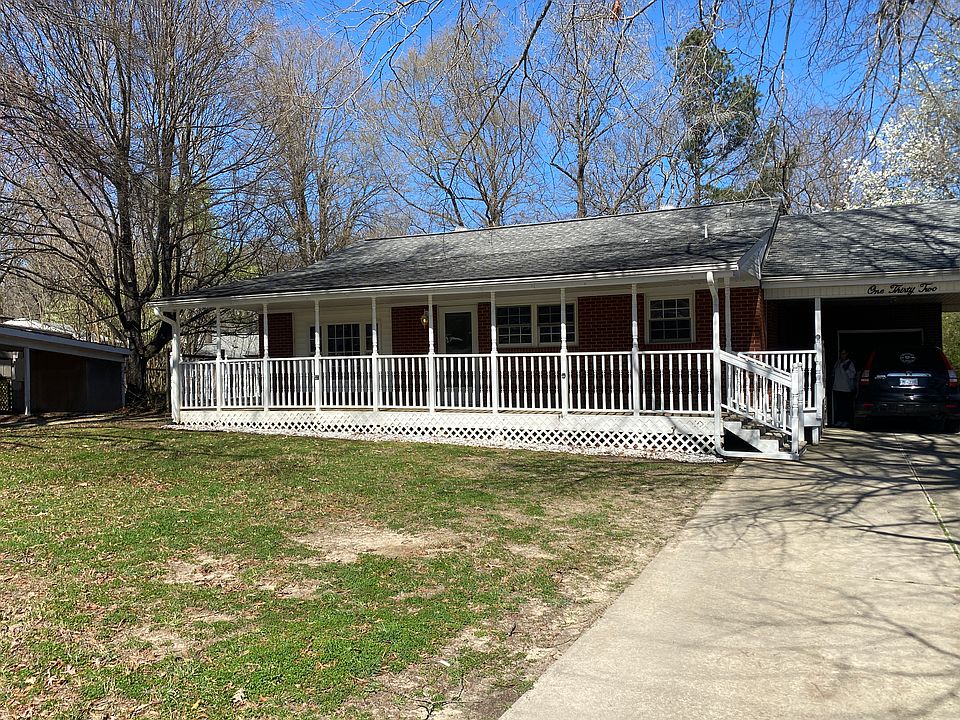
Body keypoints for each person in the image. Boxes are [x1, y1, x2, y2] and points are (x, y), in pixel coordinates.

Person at [832, 349, 857, 427]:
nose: (842, 355)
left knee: (845, 406)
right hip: (837, 387)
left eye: (844, 354)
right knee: (839, 406)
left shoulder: (849, 363)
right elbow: (834, 372)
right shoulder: (838, 362)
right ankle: (840, 420)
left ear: (847, 354)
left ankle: (846, 421)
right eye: (841, 354)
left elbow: (853, 375)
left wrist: (846, 370)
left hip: (846, 388)